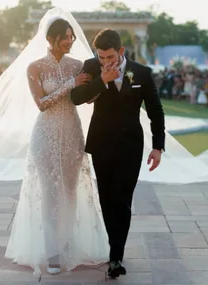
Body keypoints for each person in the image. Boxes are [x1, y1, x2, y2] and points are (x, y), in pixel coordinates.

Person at [5, 18, 109, 276]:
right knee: (50, 194)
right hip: (45, 135)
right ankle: (52, 252)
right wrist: (69, 85)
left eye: (72, 36)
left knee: (71, 192)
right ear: (51, 38)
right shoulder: (35, 68)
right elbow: (41, 103)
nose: (70, 40)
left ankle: (67, 244)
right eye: (65, 36)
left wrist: (97, 87)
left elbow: (83, 98)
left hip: (72, 134)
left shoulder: (78, 65)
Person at [71, 29, 165, 278]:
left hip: (130, 146)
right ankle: (114, 249)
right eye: (101, 57)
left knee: (122, 201)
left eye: (110, 56)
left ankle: (116, 257)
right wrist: (101, 79)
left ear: (121, 51)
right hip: (101, 144)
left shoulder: (141, 72)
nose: (105, 61)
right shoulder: (91, 66)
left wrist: (158, 146)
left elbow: (155, 110)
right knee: (106, 199)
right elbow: (76, 98)